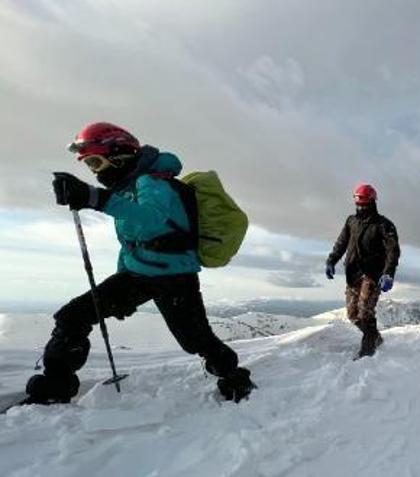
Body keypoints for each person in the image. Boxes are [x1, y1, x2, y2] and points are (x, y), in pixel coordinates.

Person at [24, 122, 255, 406]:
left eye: (96, 161)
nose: (96, 171)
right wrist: (122, 280)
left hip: (175, 277)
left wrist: (93, 197)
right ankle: (52, 389)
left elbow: (151, 221)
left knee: (196, 340)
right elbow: (133, 243)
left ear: (119, 155)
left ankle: (234, 377)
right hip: (139, 275)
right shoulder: (130, 188)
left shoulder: (154, 183)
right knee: (73, 317)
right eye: (90, 165)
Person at [326, 184, 400, 359]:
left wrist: (388, 272)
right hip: (353, 273)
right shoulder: (351, 221)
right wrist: (331, 260)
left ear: (373, 202)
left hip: (373, 274)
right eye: (358, 203)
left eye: (365, 203)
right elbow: (341, 243)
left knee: (365, 311)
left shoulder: (384, 225)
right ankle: (374, 336)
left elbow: (393, 250)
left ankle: (367, 350)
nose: (361, 207)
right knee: (352, 315)